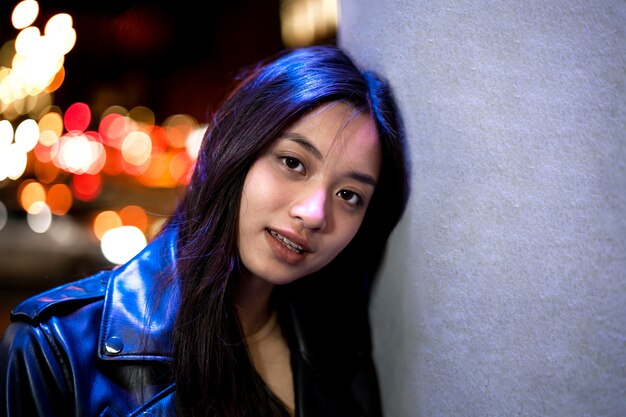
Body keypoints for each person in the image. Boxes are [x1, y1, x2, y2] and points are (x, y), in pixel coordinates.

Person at [0, 45, 408, 417]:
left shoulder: (337, 338)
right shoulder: (56, 348)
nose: (315, 213)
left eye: (350, 195)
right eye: (293, 163)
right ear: (235, 149)